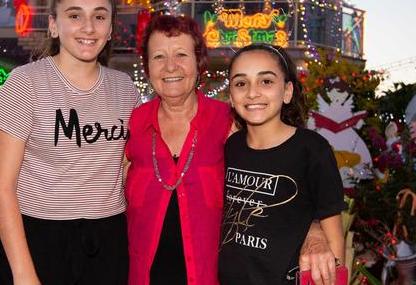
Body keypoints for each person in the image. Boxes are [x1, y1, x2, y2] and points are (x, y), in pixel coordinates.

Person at [125, 15, 339, 285]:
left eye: (181, 54)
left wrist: (314, 228)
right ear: (146, 65)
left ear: (199, 61)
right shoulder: (131, 124)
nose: (170, 66)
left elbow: (275, 183)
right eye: (158, 57)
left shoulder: (229, 124)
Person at [0, 0, 139, 285]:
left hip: (109, 242)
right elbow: (1, 186)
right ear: (54, 25)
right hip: (39, 240)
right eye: (74, 15)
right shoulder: (25, 83)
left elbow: (126, 169)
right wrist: (24, 272)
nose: (88, 27)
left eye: (99, 16)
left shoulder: (125, 88)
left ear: (111, 28)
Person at [218, 44, 346, 285]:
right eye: (241, 83)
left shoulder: (312, 149)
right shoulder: (231, 147)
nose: (252, 92)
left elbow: (334, 238)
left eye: (266, 81)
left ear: (287, 91)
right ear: (232, 98)